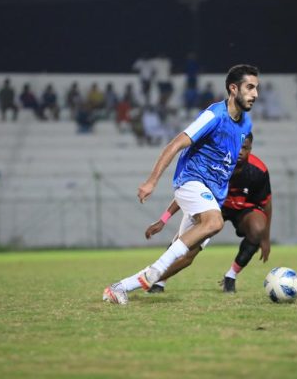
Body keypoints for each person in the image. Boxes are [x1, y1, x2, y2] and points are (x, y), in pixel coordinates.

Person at [103, 64, 259, 304]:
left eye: (256, 88)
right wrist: (151, 181)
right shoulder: (214, 115)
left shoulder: (245, 125)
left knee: (186, 257)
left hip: (211, 195)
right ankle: (154, 271)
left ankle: (119, 288)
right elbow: (175, 144)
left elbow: (222, 169)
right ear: (233, 88)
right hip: (191, 181)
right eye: (249, 87)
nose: (255, 94)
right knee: (214, 222)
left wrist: (164, 219)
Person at [144, 133, 272, 293]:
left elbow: (267, 204)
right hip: (214, 208)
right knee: (187, 254)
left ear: (250, 149)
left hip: (243, 209)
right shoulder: (215, 165)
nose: (240, 151)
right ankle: (158, 281)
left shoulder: (258, 170)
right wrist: (163, 219)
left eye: (244, 148)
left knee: (258, 228)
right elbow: (189, 192)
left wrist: (265, 238)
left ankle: (231, 276)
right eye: (237, 146)